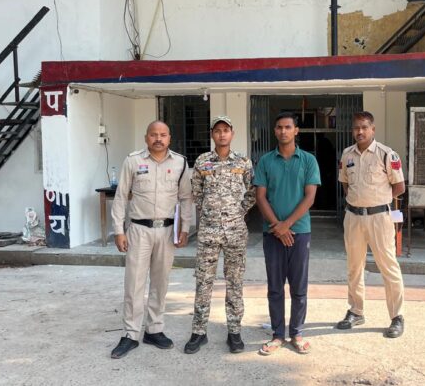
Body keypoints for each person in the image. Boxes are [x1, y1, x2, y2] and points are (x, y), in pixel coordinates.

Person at [109, 120, 193, 359]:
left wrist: (185, 228)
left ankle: (154, 330)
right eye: (154, 134)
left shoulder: (180, 163)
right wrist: (118, 230)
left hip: (167, 231)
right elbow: (121, 196)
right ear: (146, 137)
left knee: (160, 282)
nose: (158, 139)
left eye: (163, 135)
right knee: (134, 283)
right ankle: (130, 334)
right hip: (139, 230)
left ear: (169, 138)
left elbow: (186, 198)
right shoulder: (133, 161)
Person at [184, 116, 256, 355]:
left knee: (234, 282)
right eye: (218, 130)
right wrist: (209, 212)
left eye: (226, 130)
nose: (222, 134)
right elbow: (197, 192)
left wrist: (239, 211)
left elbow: (253, 190)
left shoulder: (243, 161)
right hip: (208, 231)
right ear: (212, 134)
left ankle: (234, 332)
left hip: (235, 231)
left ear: (232, 133)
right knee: (203, 281)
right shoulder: (202, 161)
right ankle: (198, 332)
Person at [254, 112, 320, 355]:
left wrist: (287, 225)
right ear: (275, 131)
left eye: (288, 127)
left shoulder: (308, 160)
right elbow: (260, 197)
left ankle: (297, 333)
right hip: (272, 233)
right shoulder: (265, 161)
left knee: (298, 287)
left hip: (300, 232)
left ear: (296, 131)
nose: (283, 131)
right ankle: (277, 334)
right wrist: (277, 226)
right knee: (275, 287)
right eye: (279, 127)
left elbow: (310, 196)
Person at [335, 111, 406, 338]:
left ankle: (396, 316)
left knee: (388, 266)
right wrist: (359, 202)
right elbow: (345, 184)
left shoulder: (386, 154)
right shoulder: (347, 154)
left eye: (364, 127)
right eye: (356, 127)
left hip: (379, 218)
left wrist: (378, 200)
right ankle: (356, 311)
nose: (360, 131)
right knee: (354, 266)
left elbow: (399, 187)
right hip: (353, 217)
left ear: (373, 129)